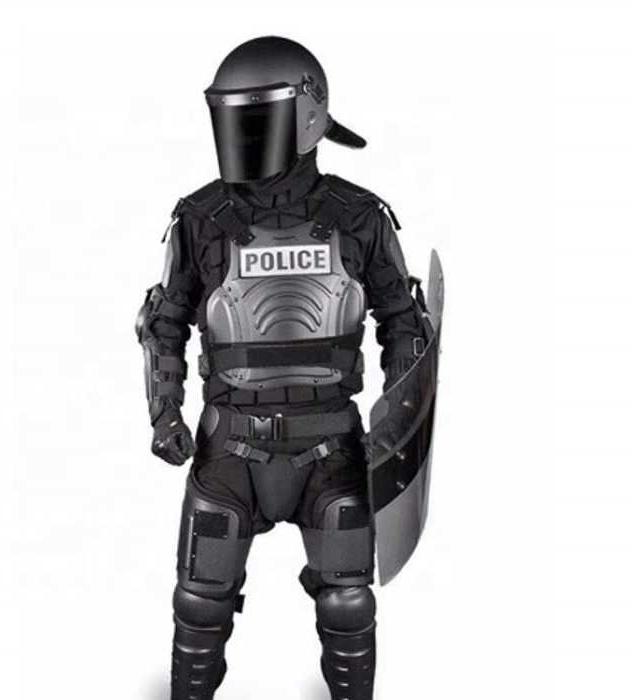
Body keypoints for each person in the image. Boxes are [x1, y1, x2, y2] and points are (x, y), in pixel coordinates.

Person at [136, 36, 428, 700]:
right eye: (234, 118)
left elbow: (405, 324)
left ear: (308, 116)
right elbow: (164, 323)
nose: (244, 135)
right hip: (229, 446)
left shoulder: (360, 216)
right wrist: (164, 414)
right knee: (199, 602)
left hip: (333, 449)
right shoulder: (201, 218)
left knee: (348, 604)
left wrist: (398, 426)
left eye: (258, 117)